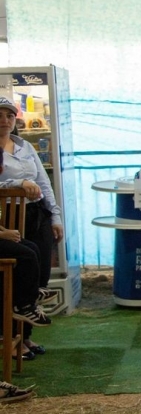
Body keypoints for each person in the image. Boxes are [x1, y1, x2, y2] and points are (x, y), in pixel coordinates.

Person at [0, 96, 60, 358]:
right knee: (15, 277)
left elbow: (44, 182)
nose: (4, 121)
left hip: (37, 213)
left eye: (9, 116)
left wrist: (55, 216)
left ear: (16, 120)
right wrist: (19, 183)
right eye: (0, 116)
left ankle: (26, 336)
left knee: (38, 275)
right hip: (9, 215)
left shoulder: (24, 146)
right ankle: (11, 339)